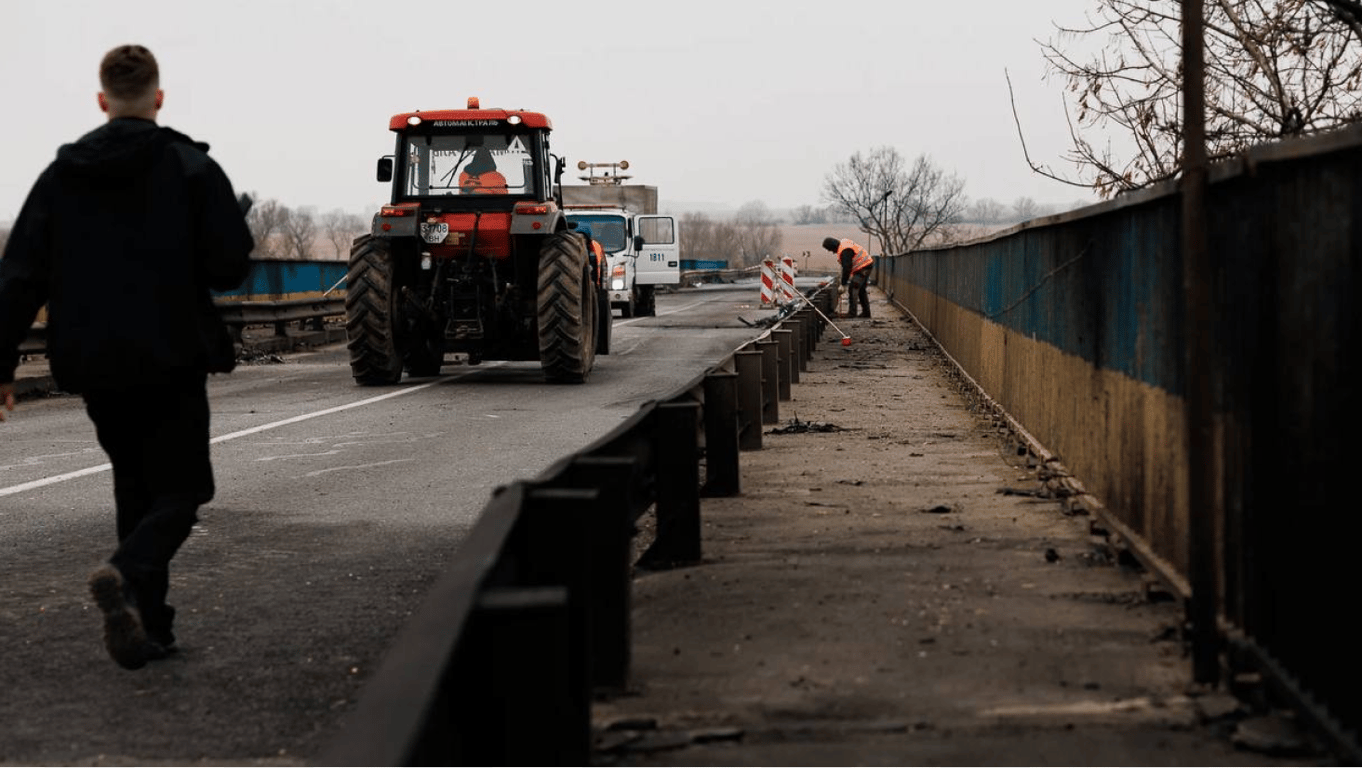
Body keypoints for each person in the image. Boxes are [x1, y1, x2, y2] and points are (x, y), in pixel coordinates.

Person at [0, 45, 254, 670]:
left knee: (135, 485)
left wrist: (0, 367)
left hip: (95, 362)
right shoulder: (190, 167)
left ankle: (150, 626)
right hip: (171, 354)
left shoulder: (63, 175)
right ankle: (127, 570)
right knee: (186, 486)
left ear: (102, 100)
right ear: (159, 98)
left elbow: (19, 276)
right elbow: (229, 268)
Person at [823, 236, 874, 318]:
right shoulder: (844, 243)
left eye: (831, 250)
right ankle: (866, 313)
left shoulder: (845, 250)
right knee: (861, 290)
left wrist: (843, 284)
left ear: (833, 247)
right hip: (866, 265)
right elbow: (846, 267)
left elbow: (847, 268)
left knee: (853, 287)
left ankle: (852, 313)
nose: (833, 252)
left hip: (863, 267)